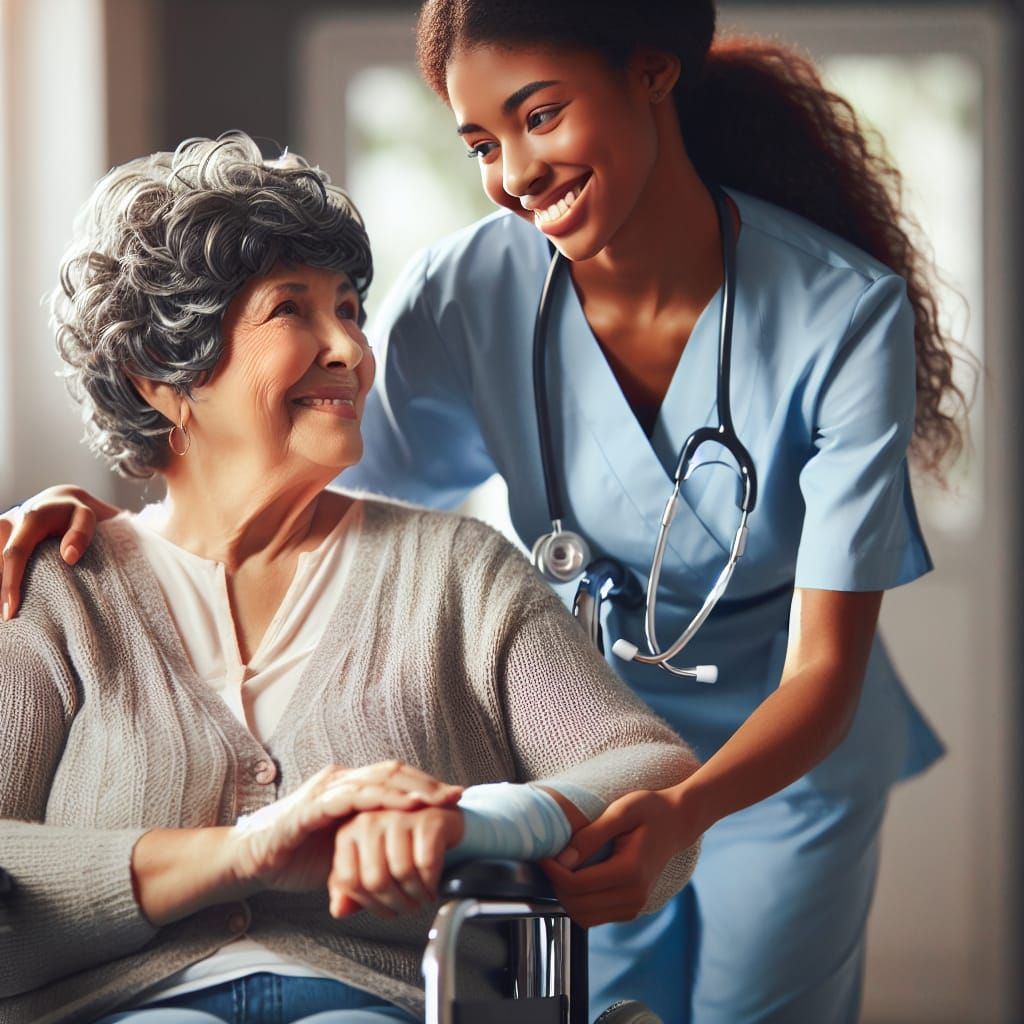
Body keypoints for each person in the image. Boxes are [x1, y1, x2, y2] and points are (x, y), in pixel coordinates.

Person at [0, 3, 972, 1023]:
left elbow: (824, 669)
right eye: (478, 143)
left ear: (651, 73)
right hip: (587, 689)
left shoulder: (840, 314)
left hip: (784, 726)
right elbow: (294, 477)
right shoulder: (470, 290)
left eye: (540, 115)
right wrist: (118, 523)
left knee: (758, 1008)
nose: (513, 172)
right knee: (616, 1002)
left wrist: (677, 805)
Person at [0, 132, 701, 1024]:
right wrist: (244, 853)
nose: (351, 349)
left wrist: (471, 821)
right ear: (159, 377)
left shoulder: (456, 572)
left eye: (351, 308)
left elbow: (648, 768)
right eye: (293, 310)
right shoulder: (52, 590)